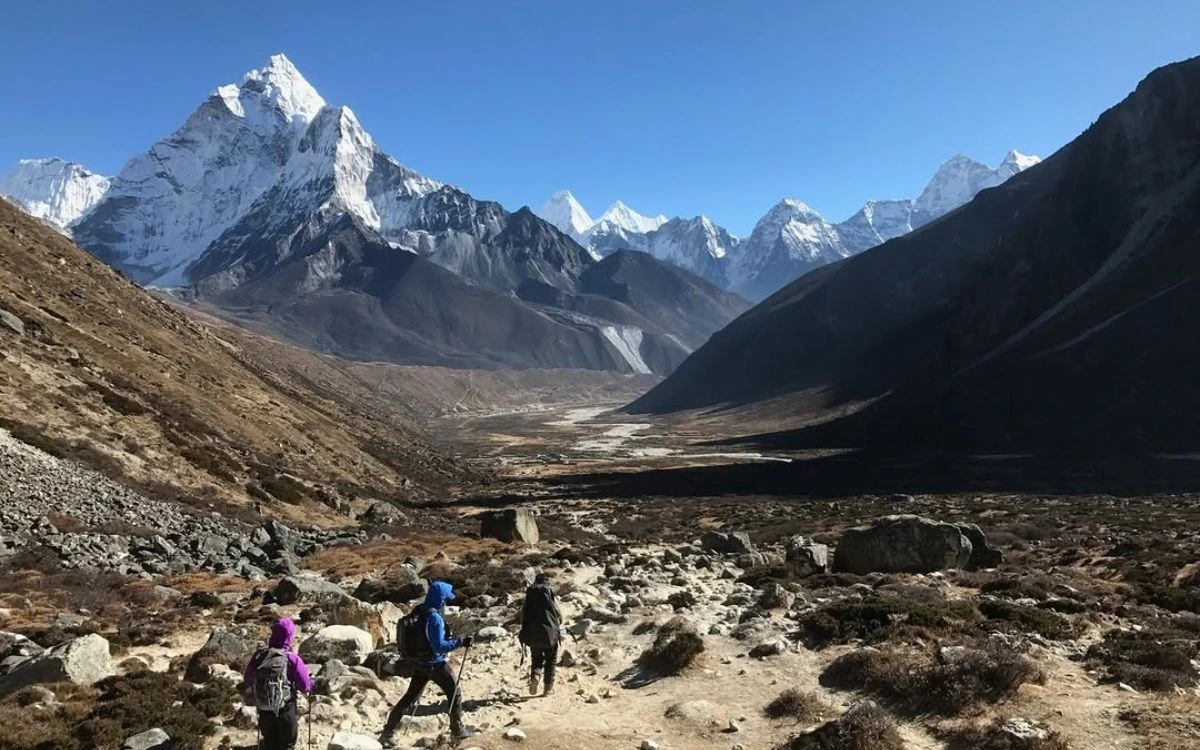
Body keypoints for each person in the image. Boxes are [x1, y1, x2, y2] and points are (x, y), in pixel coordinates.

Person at [380, 581, 474, 745]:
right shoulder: (434, 618)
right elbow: (439, 646)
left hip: (419, 663)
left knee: (409, 698)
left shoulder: (420, 610)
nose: (446, 602)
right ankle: (457, 732)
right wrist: (461, 642)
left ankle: (387, 734)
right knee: (455, 694)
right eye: (446, 598)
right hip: (435, 664)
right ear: (441, 598)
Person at [243, 617, 313, 750]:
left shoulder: (260, 655)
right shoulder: (291, 658)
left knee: (269, 742)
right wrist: (312, 682)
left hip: (264, 709)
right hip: (285, 710)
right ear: (290, 636)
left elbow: (247, 678)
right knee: (287, 744)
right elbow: (305, 686)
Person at [519, 572, 562, 696]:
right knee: (551, 660)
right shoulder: (548, 591)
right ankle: (548, 688)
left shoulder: (530, 593)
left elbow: (523, 614)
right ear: (547, 581)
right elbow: (557, 611)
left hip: (533, 633)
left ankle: (536, 675)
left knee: (536, 658)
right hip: (550, 634)